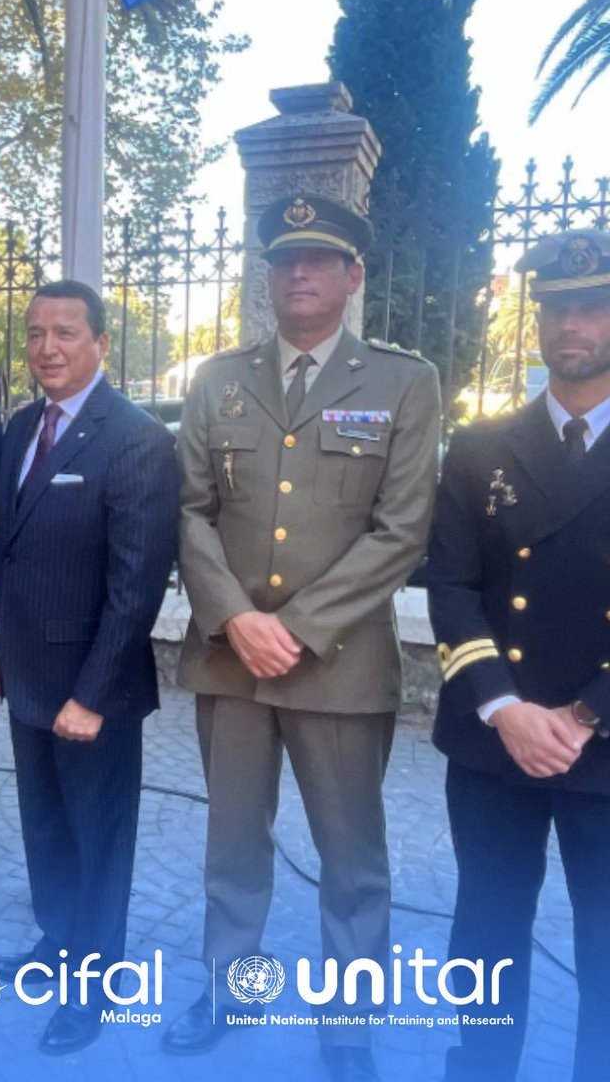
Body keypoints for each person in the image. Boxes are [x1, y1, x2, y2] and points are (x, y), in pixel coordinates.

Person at [166, 193, 441, 1082]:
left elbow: (401, 531)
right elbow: (190, 510)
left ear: (353, 276)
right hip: (229, 657)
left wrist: (298, 628)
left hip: (340, 665)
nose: (300, 274)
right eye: (286, 260)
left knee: (352, 856)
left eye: (320, 260)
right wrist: (237, 619)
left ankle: (350, 1019)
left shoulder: (405, 382)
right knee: (233, 844)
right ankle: (228, 986)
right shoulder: (218, 379)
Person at [428, 230, 610, 1082]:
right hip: (494, 738)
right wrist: (506, 708)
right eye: (556, 306)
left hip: (601, 742)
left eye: (591, 305)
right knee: (488, 926)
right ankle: (480, 1066)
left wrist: (578, 717)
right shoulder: (480, 447)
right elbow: (452, 589)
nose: (570, 322)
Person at [0, 280, 178, 1055]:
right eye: (35, 333)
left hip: (94, 687)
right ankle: (58, 943)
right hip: (27, 673)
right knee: (45, 824)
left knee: (99, 836)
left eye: (65, 332)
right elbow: (11, 552)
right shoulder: (21, 426)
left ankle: (94, 988)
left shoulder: (135, 437)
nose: (46, 348)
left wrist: (92, 696)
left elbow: (138, 585)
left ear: (100, 341)